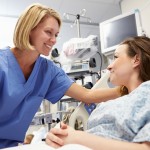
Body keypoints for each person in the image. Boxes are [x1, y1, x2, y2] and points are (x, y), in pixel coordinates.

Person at [0, 3, 120, 149]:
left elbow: (87, 95)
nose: (54, 40)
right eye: (48, 32)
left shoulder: (48, 71)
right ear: (29, 29)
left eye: (56, 35)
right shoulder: (2, 64)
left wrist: (127, 90)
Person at [46, 36, 150, 150]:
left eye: (115, 57)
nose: (109, 66)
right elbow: (88, 95)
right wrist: (60, 138)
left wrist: (77, 138)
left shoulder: (146, 93)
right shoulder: (119, 101)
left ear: (136, 60)